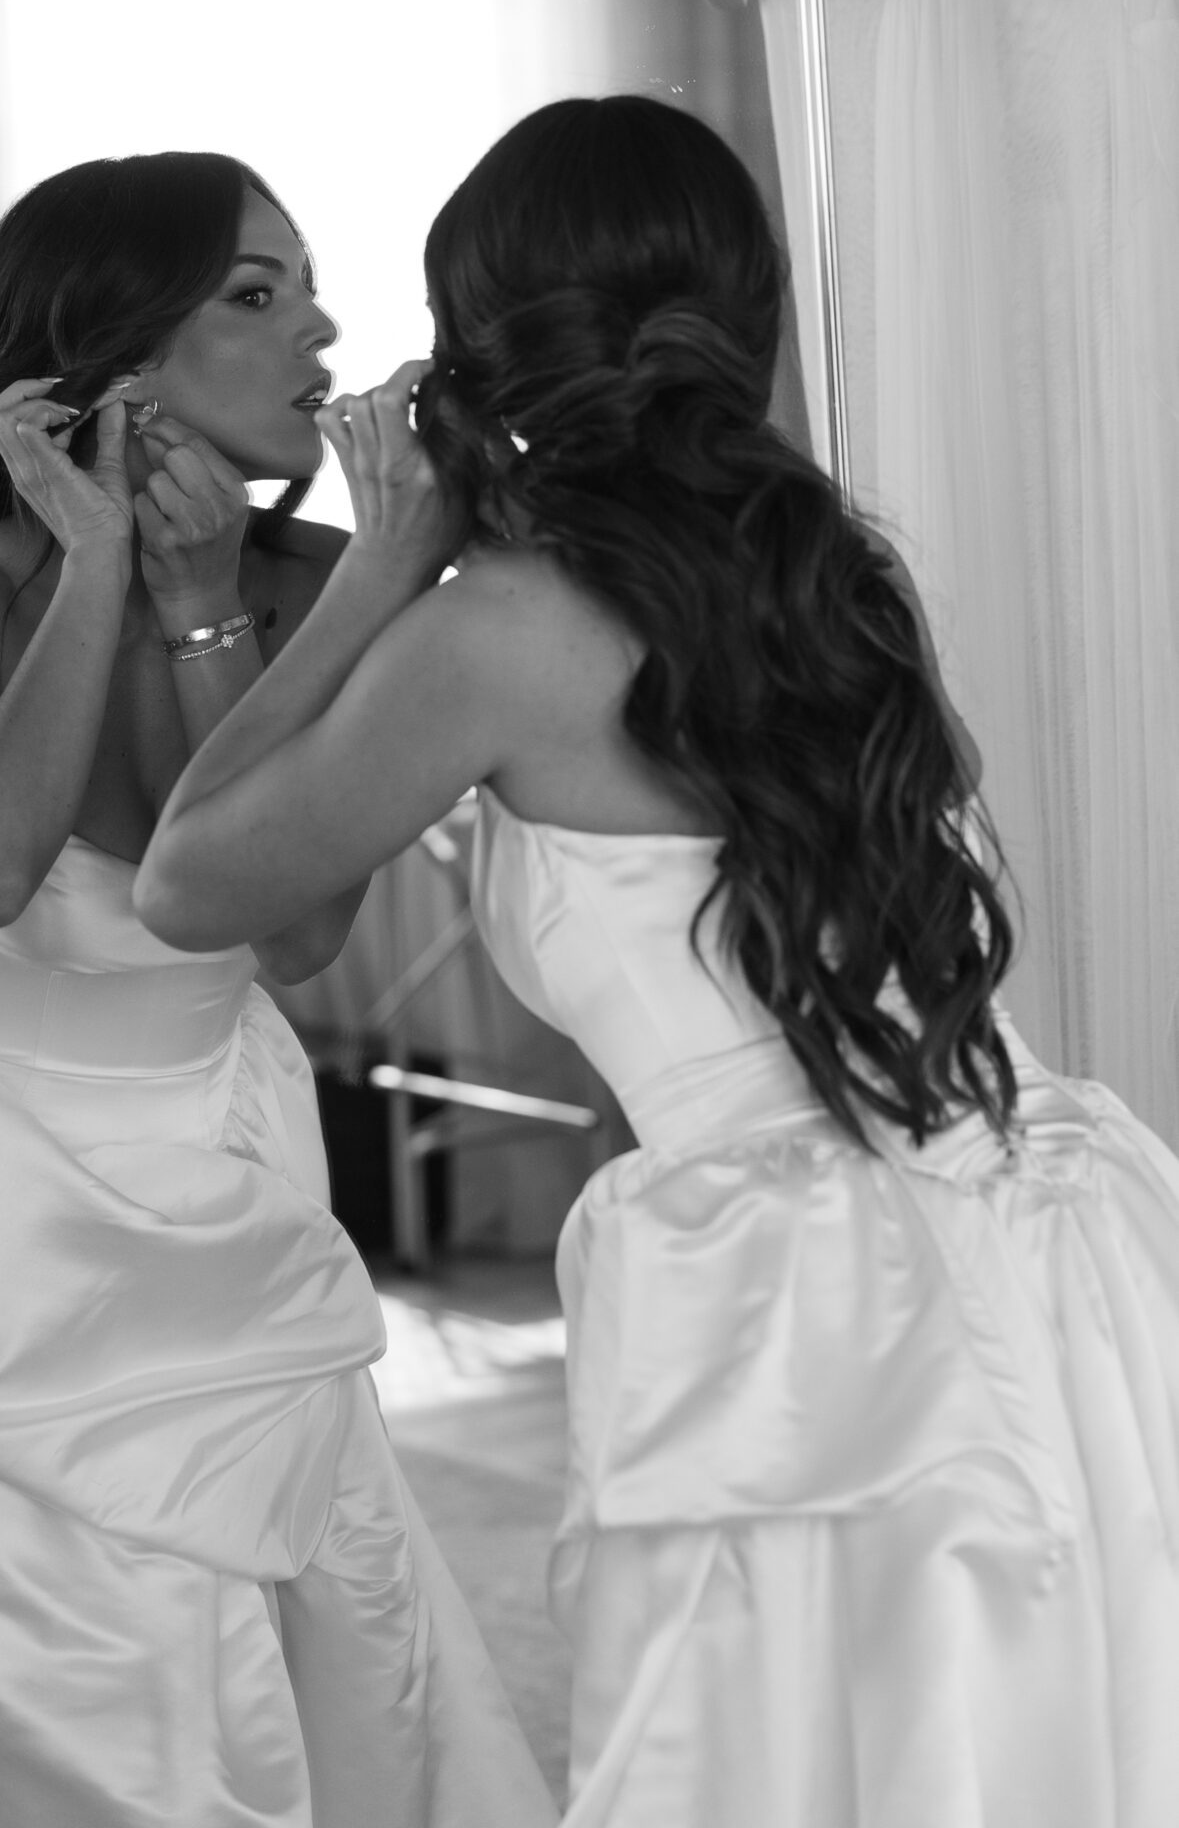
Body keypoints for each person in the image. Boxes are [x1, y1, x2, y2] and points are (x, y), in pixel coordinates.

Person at [136, 97, 1179, 1828]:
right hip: (1034, 1206)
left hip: (793, 1290)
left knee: (779, 1759)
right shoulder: (828, 571)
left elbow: (190, 876)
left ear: (493, 345)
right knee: (999, 1747)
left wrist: (381, 553)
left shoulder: (494, 631)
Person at [0, 150, 557, 1828]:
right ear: (118, 353)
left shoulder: (327, 580)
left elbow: (291, 938)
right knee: (41, 1683)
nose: (324, 329)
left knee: (314, 1642)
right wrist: (92, 568)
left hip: (228, 1189)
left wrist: (311, 594)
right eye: (257, 293)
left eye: (305, 290)